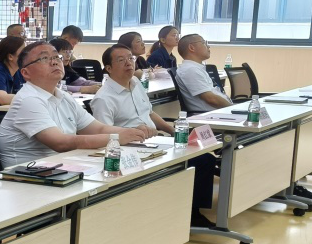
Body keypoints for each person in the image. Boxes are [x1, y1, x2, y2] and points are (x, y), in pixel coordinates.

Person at [0, 40, 156, 244]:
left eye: (56, 56)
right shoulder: (28, 99)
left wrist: (132, 132)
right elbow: (61, 142)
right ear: (26, 73)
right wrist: (119, 138)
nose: (55, 61)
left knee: (108, 211)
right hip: (29, 187)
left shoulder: (62, 96)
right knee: (90, 221)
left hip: (62, 177)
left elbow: (96, 128)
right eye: (44, 58)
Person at [91, 44, 219, 229]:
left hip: (155, 140)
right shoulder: (103, 98)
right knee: (198, 162)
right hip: (132, 149)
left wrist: (172, 131)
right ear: (109, 68)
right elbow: (105, 135)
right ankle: (191, 216)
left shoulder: (136, 84)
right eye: (121, 60)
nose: (128, 63)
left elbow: (150, 113)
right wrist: (133, 133)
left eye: (130, 58)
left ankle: (191, 210)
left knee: (204, 158)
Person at [174, 34, 230, 113]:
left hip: (218, 113)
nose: (208, 47)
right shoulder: (190, 70)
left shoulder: (195, 68)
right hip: (210, 116)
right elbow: (211, 99)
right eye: (204, 43)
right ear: (191, 48)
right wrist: (233, 108)